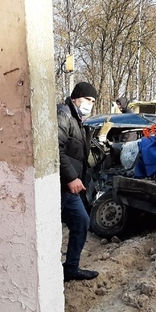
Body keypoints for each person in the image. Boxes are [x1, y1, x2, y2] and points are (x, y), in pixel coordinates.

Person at [57, 82, 99, 282]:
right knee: (51, 233)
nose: (90, 104)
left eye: (93, 101)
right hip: (59, 186)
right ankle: (47, 274)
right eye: (88, 99)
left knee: (82, 221)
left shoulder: (78, 120)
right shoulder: (63, 115)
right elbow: (55, 148)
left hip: (69, 189)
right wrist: (71, 178)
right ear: (75, 98)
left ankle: (71, 268)